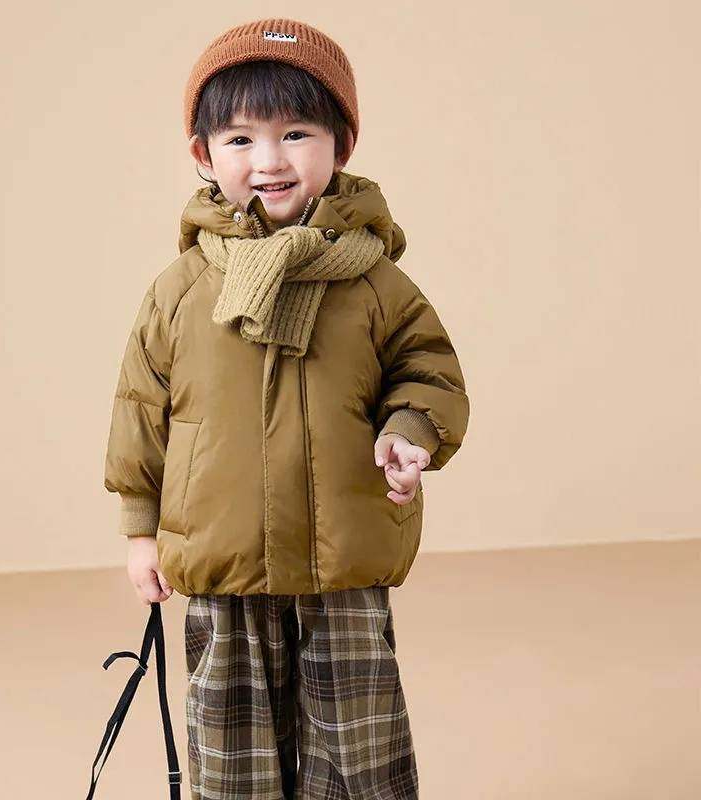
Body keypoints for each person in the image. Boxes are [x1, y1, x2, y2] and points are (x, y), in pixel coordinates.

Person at [103, 17, 470, 800]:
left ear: (341, 144)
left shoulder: (376, 283)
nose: (269, 160)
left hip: (345, 550)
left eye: (296, 133)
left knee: (357, 744)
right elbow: (141, 409)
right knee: (232, 745)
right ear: (203, 153)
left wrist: (410, 431)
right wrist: (140, 531)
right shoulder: (180, 291)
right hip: (221, 551)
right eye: (240, 139)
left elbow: (428, 372)